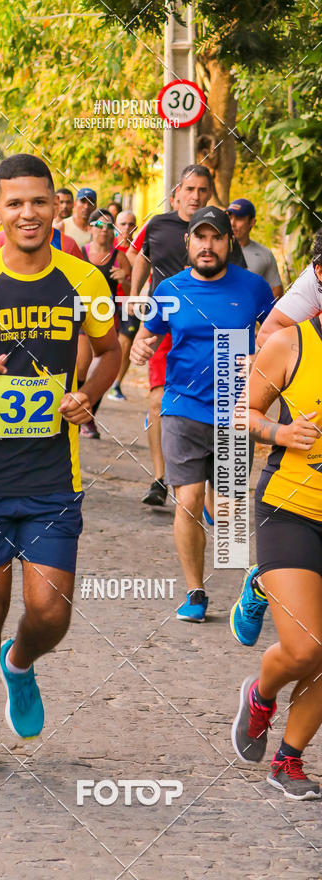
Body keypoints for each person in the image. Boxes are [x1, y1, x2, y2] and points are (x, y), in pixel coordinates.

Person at [0, 153, 120, 775]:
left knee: (51, 610)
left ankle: (21, 661)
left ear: (56, 205)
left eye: (39, 201)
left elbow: (111, 352)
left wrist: (87, 394)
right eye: (14, 203)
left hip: (50, 474)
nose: (27, 213)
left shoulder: (87, 280)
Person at [130, 207, 274, 623]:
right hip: (183, 407)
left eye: (216, 238)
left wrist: (260, 357)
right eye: (200, 237)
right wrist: (141, 347)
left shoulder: (254, 288)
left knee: (227, 511)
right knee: (187, 500)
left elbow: (279, 337)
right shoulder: (170, 288)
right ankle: (196, 590)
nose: (207, 246)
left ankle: (241, 569)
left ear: (229, 243)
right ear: (188, 243)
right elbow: (148, 336)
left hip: (234, 410)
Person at [231, 306, 322, 799]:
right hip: (291, 509)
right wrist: (282, 433)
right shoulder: (291, 343)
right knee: (307, 646)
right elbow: (241, 412)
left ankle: (289, 759)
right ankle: (261, 694)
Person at [231, 230, 322, 648]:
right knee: (307, 647)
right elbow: (271, 336)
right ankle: (272, 576)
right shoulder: (304, 306)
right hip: (293, 494)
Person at [130, 165, 216, 507]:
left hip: (204, 330)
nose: (195, 196)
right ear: (177, 191)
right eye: (190, 189)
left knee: (200, 404)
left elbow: (235, 272)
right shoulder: (159, 224)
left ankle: (203, 483)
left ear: (209, 193)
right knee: (157, 399)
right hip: (163, 323)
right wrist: (136, 292)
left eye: (202, 190)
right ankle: (160, 478)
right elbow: (140, 256)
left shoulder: (215, 229)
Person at [79, 208, 131, 437]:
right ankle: (77, 409)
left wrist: (125, 281)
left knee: (103, 369)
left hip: (107, 317)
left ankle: (88, 417)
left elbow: (131, 293)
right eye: (99, 225)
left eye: (109, 226)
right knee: (81, 364)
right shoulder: (80, 253)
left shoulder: (119, 257)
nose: (104, 230)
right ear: (90, 228)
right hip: (80, 314)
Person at [228, 198, 283, 299]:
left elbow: (277, 290)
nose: (232, 223)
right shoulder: (217, 251)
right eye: (229, 217)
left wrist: (262, 312)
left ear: (252, 222)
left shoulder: (265, 253)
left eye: (239, 218)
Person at [109, 209, 138, 401]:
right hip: (104, 302)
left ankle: (116, 384)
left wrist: (125, 281)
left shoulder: (139, 251)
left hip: (129, 301)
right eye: (123, 224)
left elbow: (140, 284)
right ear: (116, 226)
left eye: (131, 224)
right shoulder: (106, 247)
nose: (127, 228)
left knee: (126, 341)